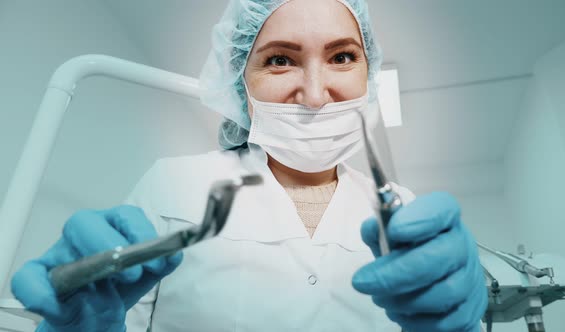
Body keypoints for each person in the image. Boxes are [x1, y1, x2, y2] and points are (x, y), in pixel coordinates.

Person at [11, 0, 488, 331]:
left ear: (370, 72)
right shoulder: (175, 185)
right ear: (242, 87)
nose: (317, 95)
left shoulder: (403, 210)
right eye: (281, 60)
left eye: (343, 56)